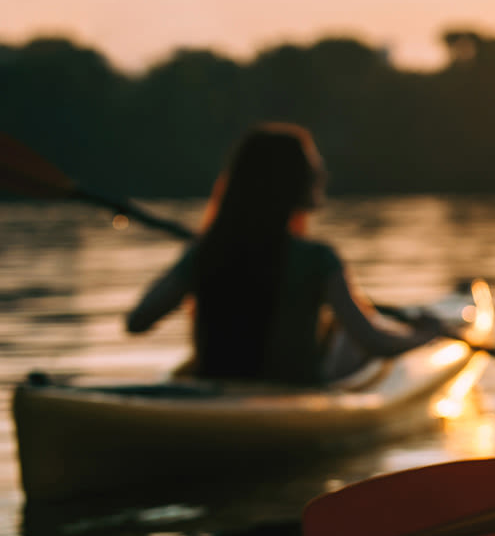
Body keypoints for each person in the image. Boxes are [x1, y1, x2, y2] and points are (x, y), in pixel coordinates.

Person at [126, 123, 443, 385]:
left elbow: (138, 321)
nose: (321, 175)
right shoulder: (319, 260)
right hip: (292, 396)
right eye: (312, 169)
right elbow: (373, 343)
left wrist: (197, 256)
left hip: (213, 393)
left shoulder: (206, 253)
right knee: (348, 335)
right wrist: (428, 337)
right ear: (295, 183)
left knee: (340, 331)